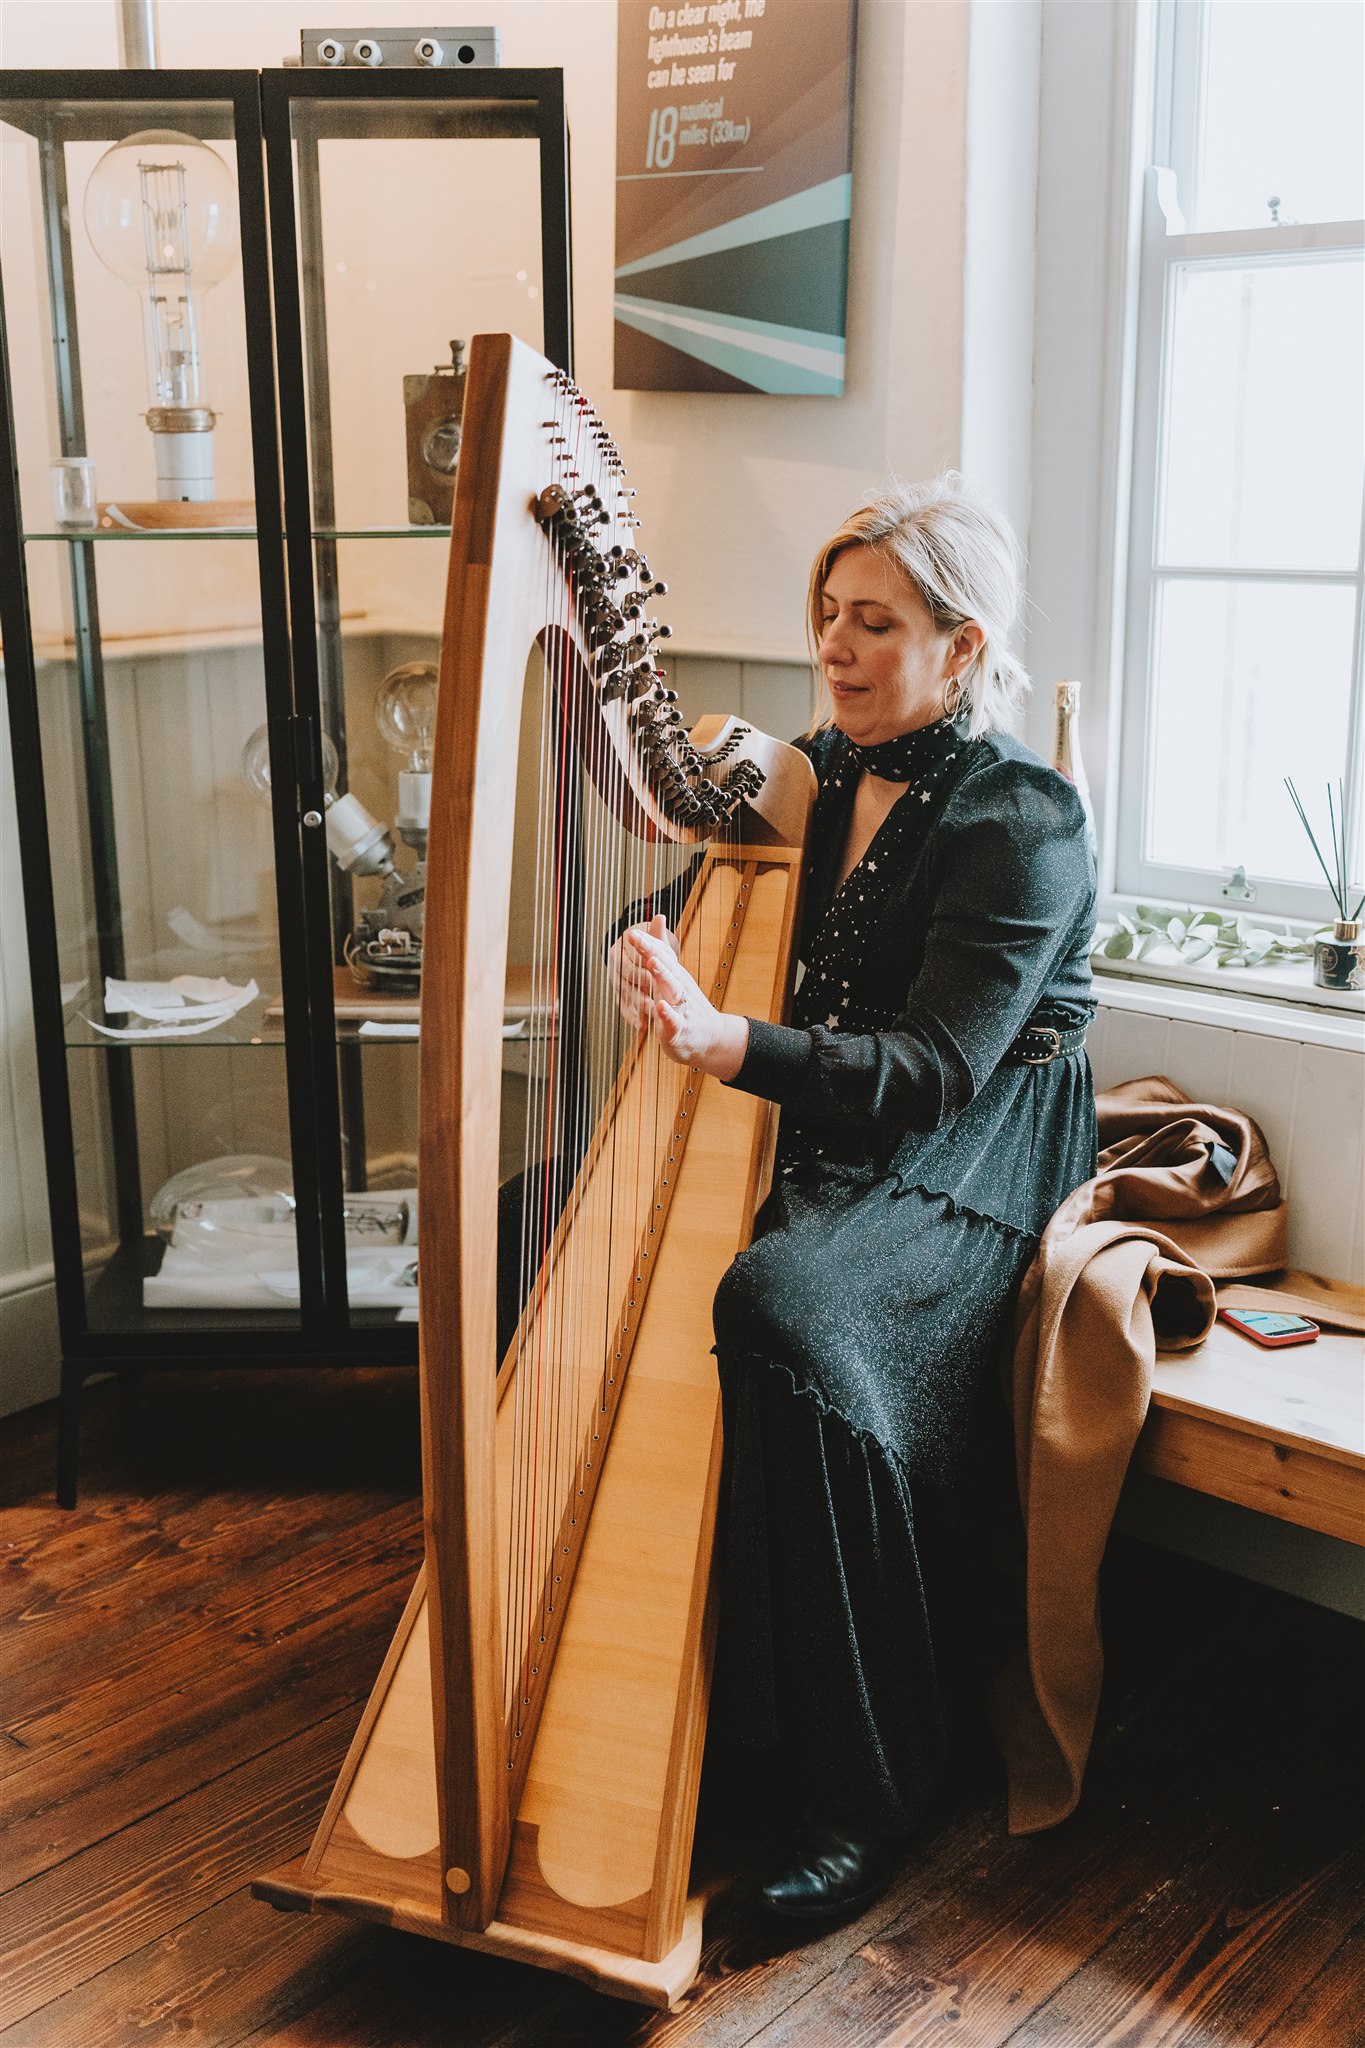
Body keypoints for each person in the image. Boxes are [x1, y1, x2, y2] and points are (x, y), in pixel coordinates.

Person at [613, 474, 1097, 1919]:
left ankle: (868, 1788)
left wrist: (730, 1047)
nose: (834, 645)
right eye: (827, 613)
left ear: (961, 646)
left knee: (785, 1301)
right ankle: (703, 1699)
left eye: (875, 622)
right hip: (836, 1104)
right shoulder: (816, 768)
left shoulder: (1021, 815)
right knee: (540, 1217)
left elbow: (937, 1070)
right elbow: (713, 926)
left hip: (976, 1149)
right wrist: (650, 952)